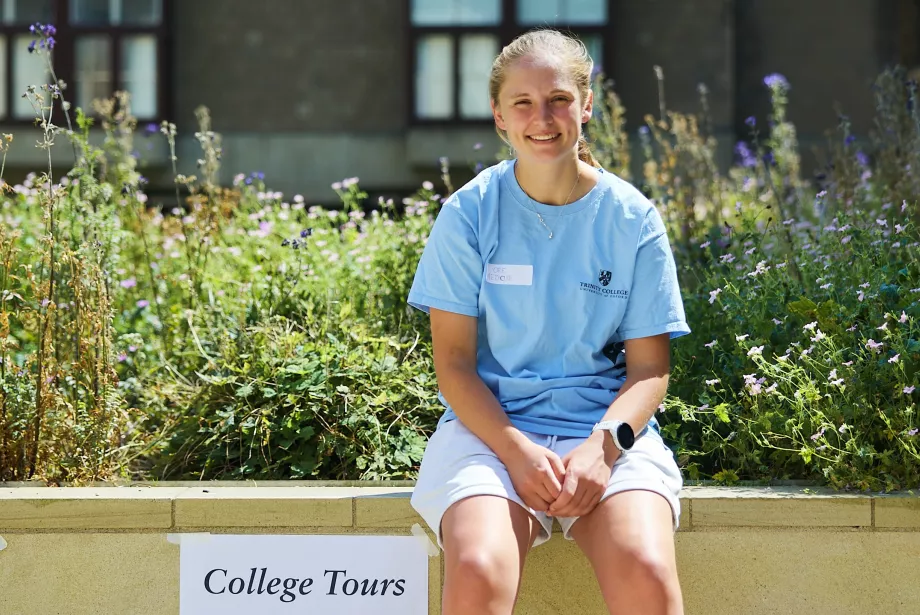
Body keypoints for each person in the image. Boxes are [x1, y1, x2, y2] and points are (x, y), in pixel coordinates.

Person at [407, 28, 691, 615]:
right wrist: (514, 452)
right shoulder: (468, 214)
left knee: (645, 567)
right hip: (491, 432)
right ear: (498, 117)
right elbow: (454, 366)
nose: (544, 118)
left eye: (560, 99)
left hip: (604, 430)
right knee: (478, 567)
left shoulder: (632, 218)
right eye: (523, 103)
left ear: (586, 106)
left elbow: (649, 370)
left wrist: (604, 448)